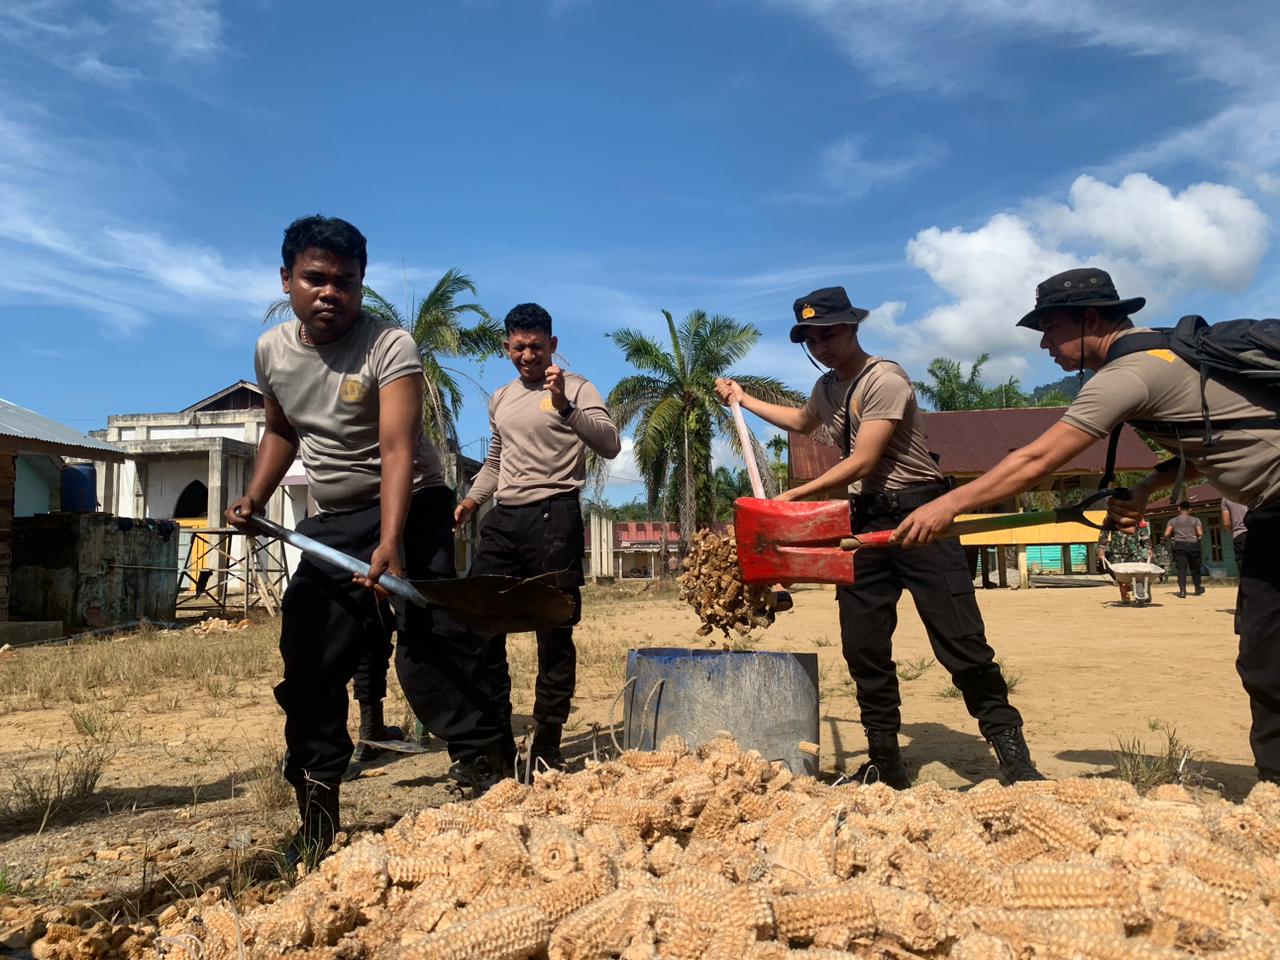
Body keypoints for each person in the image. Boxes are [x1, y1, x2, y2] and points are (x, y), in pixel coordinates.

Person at [892, 266, 1280, 784]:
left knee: (1268, 659)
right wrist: (1145, 488)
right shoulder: (1170, 356)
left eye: (1050, 328)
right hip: (1271, 512)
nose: (1045, 344)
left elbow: (1036, 461)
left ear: (1090, 318)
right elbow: (1212, 442)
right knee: (1266, 655)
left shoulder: (1129, 374)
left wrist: (948, 506)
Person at [226, 215, 510, 862]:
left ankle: (485, 770)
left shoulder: (390, 346)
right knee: (310, 653)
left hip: (413, 501)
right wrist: (255, 496)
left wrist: (391, 546)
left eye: (346, 282)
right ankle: (319, 812)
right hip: (336, 513)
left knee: (426, 639)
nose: (330, 293)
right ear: (286, 280)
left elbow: (397, 449)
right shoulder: (272, 351)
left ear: (361, 286)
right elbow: (281, 432)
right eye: (315, 279)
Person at [714, 286, 1042, 787]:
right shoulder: (827, 388)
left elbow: (863, 461)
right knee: (863, 645)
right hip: (864, 522)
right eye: (812, 338)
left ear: (852, 328)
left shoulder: (883, 379)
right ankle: (885, 761)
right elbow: (802, 422)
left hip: (921, 514)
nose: (822, 345)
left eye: (830, 333)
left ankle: (1013, 754)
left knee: (961, 641)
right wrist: (744, 399)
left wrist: (793, 497)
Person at [455, 303, 621, 770]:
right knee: (480, 622)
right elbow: (494, 461)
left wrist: (567, 406)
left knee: (554, 631)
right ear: (506, 347)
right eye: (517, 347)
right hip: (504, 518)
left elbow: (609, 443)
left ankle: (547, 739)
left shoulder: (578, 387)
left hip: (556, 516)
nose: (527, 355)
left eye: (535, 346)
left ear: (553, 345)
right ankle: (497, 740)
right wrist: (470, 502)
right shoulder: (501, 398)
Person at [1097, 520, 1154, 604]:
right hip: (1117, 550)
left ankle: (1142, 589)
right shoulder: (1112, 515)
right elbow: (1104, 531)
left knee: (1139, 572)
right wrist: (1101, 548)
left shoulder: (1136, 514)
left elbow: (1143, 530)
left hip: (1134, 550)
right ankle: (1125, 593)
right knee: (1121, 574)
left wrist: (1148, 546)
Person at [1164, 502, 1204, 598]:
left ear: (1178, 508)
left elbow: (1166, 533)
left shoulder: (1172, 521)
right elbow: (1200, 533)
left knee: (1181, 569)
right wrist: (1197, 537)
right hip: (1193, 545)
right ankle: (1197, 588)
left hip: (1179, 546)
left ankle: (1182, 591)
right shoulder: (1195, 520)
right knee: (1195, 568)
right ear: (1190, 509)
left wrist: (1174, 537)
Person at [1223, 497, 1249, 572]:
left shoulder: (1226, 498)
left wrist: (1233, 532)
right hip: (1253, 531)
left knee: (1242, 567)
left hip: (1239, 535)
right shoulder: (1250, 490)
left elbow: (1226, 523)